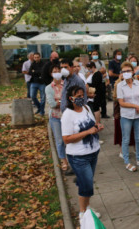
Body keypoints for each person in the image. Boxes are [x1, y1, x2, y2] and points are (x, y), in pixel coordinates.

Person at [61, 85, 104, 220]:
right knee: (86, 185)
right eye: (78, 96)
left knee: (86, 182)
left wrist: (97, 127)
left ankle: (87, 207)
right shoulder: (67, 115)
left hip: (93, 152)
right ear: (71, 98)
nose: (81, 98)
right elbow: (66, 139)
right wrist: (87, 132)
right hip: (78, 156)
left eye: (82, 95)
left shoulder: (86, 108)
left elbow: (92, 125)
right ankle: (82, 213)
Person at [117, 62, 139, 172]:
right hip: (126, 116)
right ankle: (127, 162)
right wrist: (135, 105)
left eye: (128, 71)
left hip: (138, 115)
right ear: (121, 73)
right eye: (124, 71)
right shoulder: (120, 86)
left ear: (133, 71)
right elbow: (121, 102)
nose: (126, 73)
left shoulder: (138, 83)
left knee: (138, 138)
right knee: (126, 139)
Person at [45, 65, 70, 173]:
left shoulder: (66, 85)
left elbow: (70, 99)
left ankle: (72, 159)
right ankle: (64, 161)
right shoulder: (48, 88)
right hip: (55, 117)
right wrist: (62, 101)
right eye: (54, 71)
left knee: (69, 139)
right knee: (59, 141)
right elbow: (52, 104)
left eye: (58, 71)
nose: (56, 73)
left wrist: (60, 101)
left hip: (68, 116)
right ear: (51, 73)